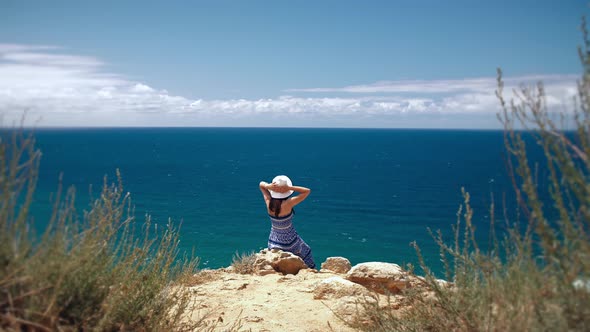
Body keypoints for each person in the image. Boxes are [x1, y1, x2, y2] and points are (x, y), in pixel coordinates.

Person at [259, 175, 316, 269]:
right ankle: (310, 271)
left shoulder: (268, 202)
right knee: (307, 251)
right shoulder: (288, 203)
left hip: (273, 241)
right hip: (289, 241)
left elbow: (261, 184)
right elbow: (307, 191)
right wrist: (289, 188)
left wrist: (268, 186)